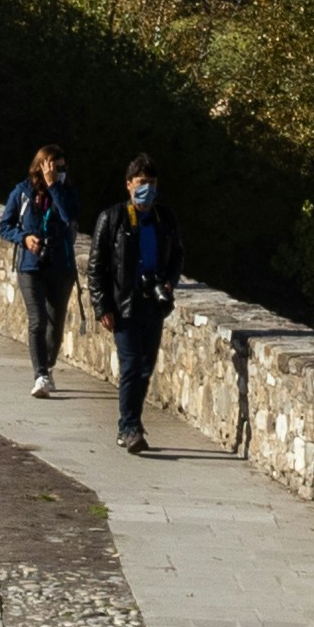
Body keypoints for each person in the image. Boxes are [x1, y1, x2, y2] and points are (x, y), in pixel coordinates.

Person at [97, 159, 182, 455]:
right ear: (129, 184)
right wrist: (102, 306)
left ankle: (132, 423)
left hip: (153, 306)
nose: (147, 190)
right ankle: (129, 428)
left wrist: (169, 281)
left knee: (145, 368)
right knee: (132, 365)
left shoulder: (164, 219)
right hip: (124, 306)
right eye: (142, 183)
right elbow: (97, 268)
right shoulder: (112, 219)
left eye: (152, 185)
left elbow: (177, 256)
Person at [0, 148, 84, 395]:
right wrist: (24, 238)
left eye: (63, 167)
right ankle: (40, 375)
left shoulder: (67, 192)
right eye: (55, 167)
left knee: (55, 325)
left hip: (60, 266)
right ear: (41, 166)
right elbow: (4, 226)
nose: (60, 172)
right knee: (37, 319)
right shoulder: (22, 193)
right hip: (31, 266)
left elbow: (70, 216)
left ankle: (47, 367)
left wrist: (54, 186)